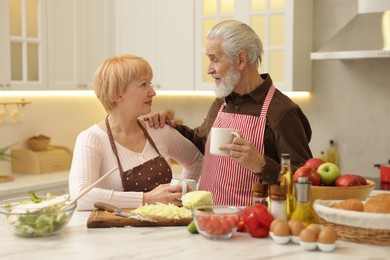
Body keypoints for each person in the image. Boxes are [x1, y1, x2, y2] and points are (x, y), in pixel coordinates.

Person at [146, 20, 312, 206]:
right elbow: (201, 142)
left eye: (215, 59)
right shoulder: (223, 101)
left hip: (252, 226)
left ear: (241, 60)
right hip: (208, 219)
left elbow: (305, 183)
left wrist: (262, 165)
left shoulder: (282, 112)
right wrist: (171, 126)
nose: (209, 69)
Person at [69, 54, 203, 210]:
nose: (152, 92)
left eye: (150, 84)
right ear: (118, 94)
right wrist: (147, 199)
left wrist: (182, 196)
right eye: (143, 85)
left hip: (166, 230)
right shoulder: (91, 139)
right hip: (118, 233)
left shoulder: (158, 129)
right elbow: (80, 197)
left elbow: (196, 160)